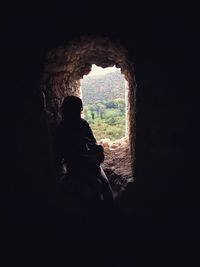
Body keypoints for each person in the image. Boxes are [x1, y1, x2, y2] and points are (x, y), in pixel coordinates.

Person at [53, 95, 113, 203]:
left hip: (90, 163)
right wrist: (89, 158)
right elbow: (68, 154)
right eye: (77, 110)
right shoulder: (62, 130)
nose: (79, 112)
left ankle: (109, 214)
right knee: (97, 185)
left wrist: (97, 150)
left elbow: (92, 141)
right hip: (77, 167)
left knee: (106, 184)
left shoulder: (83, 124)